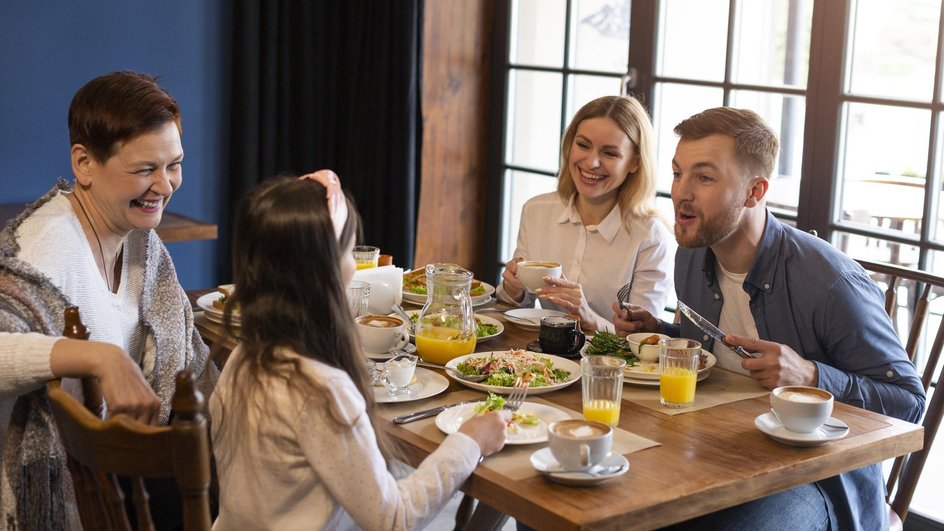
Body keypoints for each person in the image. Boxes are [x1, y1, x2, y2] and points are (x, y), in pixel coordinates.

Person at [614, 107, 925, 530]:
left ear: (754, 191)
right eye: (676, 173)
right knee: (579, 497)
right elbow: (719, 352)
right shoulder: (691, 253)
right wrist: (660, 332)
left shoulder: (830, 282)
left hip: (815, 478)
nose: (680, 193)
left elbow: (909, 403)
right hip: (718, 449)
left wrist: (812, 377)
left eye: (704, 177)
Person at [210, 176, 508, 530]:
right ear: (326, 269)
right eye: (349, 250)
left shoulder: (244, 358)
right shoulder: (320, 390)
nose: (353, 265)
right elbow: (394, 518)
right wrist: (469, 441)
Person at [0, 71, 220, 529]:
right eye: (144, 170)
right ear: (83, 163)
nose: (165, 185)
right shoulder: (44, 250)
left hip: (116, 478)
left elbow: (197, 369)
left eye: (174, 164)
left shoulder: (140, 241)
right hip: (74, 498)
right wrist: (103, 359)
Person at [496, 95, 675, 332]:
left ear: (634, 163)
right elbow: (516, 308)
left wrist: (589, 319)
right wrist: (513, 290)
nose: (592, 163)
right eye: (583, 145)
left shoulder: (651, 237)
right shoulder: (536, 211)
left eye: (610, 153)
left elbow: (643, 339)